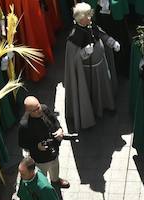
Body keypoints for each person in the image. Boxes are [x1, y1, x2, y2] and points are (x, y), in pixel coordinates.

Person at [63, 3, 120, 132]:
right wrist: (83, 53)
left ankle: (107, 105)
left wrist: (112, 42)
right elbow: (73, 59)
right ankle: (91, 112)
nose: (90, 17)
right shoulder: (73, 36)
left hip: (100, 64)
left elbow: (100, 34)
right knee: (90, 91)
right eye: (87, 15)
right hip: (87, 71)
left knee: (103, 86)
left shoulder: (90, 24)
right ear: (80, 18)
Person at [17, 98, 70, 188]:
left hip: (53, 149)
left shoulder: (44, 108)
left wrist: (59, 129)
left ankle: (55, 180)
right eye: (35, 110)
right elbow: (22, 143)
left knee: (55, 167)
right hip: (40, 158)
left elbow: (54, 120)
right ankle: (45, 187)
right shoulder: (24, 125)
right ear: (28, 111)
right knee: (42, 175)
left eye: (38, 107)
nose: (39, 110)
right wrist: (36, 146)